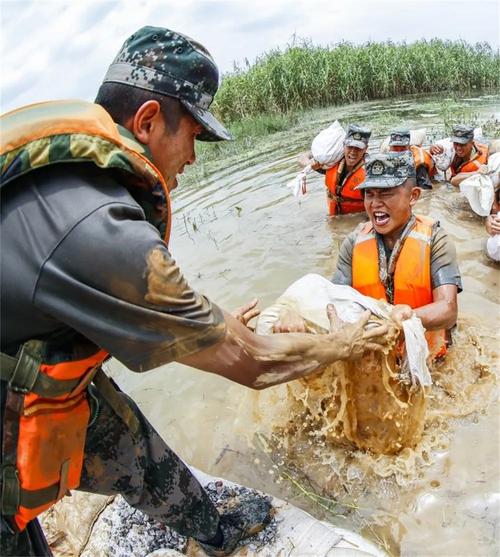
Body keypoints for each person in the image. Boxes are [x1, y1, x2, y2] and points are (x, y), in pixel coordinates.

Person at [0, 26, 390, 556]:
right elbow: (256, 365)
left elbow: (153, 309)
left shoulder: (66, 183)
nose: (194, 157)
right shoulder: (98, 231)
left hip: (25, 368)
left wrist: (214, 322)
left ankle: (213, 532)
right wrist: (342, 345)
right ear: (148, 121)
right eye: (194, 136)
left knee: (130, 445)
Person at [276, 154, 461, 361]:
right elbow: (333, 301)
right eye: (369, 194)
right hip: (377, 358)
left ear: (413, 196)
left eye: (386, 194)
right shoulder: (354, 243)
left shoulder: (436, 239)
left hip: (430, 359)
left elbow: (448, 309)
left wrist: (405, 318)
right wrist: (296, 313)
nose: (375, 203)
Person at [299, 124, 371, 216]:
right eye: (350, 146)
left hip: (357, 219)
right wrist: (311, 164)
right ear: (343, 145)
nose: (353, 152)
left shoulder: (369, 174)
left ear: (365, 149)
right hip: (334, 216)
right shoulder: (331, 163)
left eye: (358, 148)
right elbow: (301, 160)